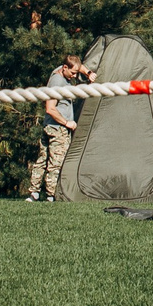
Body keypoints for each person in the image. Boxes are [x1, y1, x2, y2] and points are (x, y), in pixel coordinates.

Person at [25, 55, 93, 200]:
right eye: (73, 73)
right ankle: (51, 196)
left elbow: (78, 66)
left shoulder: (61, 70)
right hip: (58, 128)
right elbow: (50, 108)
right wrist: (67, 123)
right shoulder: (58, 83)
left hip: (48, 126)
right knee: (56, 163)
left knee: (42, 160)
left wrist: (88, 73)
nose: (75, 76)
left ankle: (34, 193)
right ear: (64, 68)